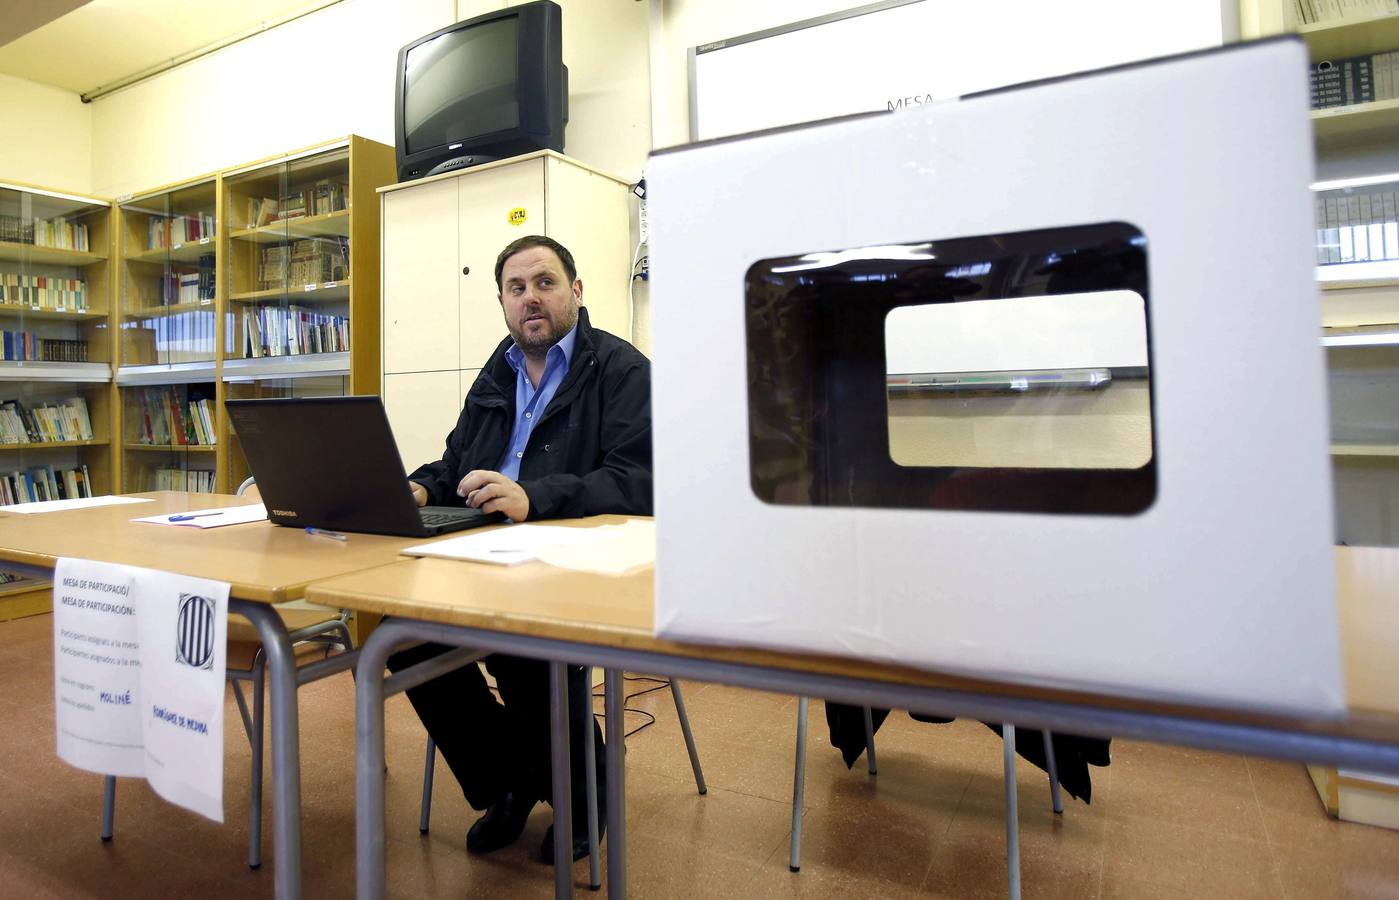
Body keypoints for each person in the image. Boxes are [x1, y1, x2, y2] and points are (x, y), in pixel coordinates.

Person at [388, 234, 652, 864]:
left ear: (576, 291)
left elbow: (637, 480)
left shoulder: (620, 368)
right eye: (516, 288)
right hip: (483, 546)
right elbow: (458, 462)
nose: (531, 298)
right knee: (401, 631)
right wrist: (423, 486)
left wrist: (535, 497)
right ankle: (509, 781)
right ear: (503, 302)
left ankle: (584, 793)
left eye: (545, 282)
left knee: (524, 646)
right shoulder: (496, 369)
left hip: (569, 552)